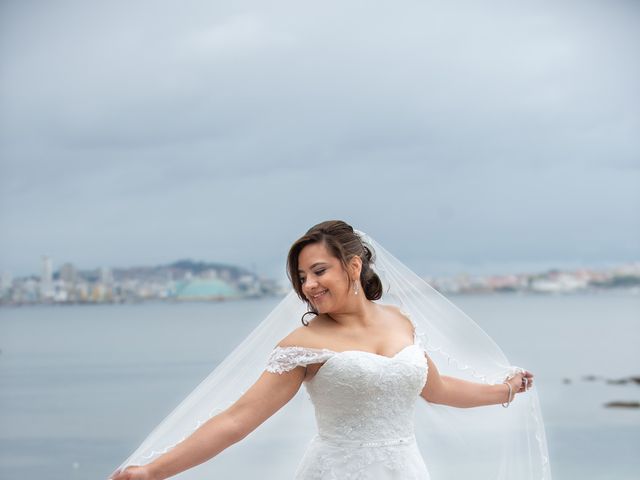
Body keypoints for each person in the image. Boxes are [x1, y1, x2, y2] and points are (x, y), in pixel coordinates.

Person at [110, 220, 549, 480]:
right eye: (302, 277)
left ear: (353, 266)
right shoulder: (304, 345)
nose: (309, 286)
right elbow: (236, 420)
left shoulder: (401, 321)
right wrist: (155, 471)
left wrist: (504, 390)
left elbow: (436, 389)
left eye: (319, 271)